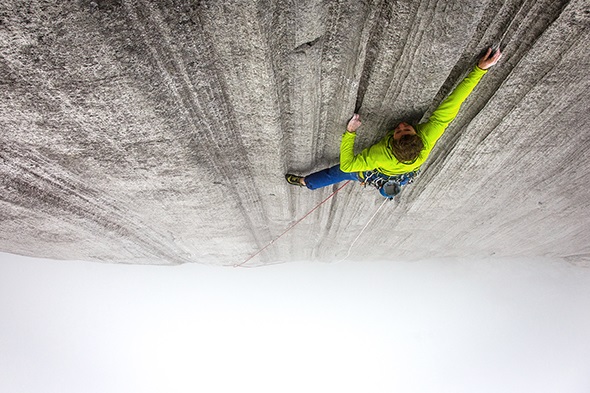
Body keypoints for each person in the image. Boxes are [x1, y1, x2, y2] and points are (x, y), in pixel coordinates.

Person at [286, 48, 503, 198]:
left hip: (383, 171)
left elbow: (347, 166)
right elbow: (454, 103)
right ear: (419, 138)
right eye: (406, 129)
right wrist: (480, 69)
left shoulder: (379, 155)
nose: (400, 125)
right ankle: (388, 190)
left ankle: (307, 183)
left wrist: (350, 133)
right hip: (400, 174)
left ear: (391, 144)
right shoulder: (428, 136)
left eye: (399, 132)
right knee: (391, 185)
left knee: (336, 174)